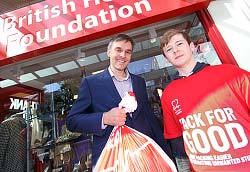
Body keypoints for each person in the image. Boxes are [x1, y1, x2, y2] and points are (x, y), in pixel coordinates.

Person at [66, 33, 173, 168]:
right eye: (118, 50)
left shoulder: (138, 82)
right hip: (113, 158)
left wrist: (164, 150)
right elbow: (72, 121)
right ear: (108, 52)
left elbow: (148, 116)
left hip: (145, 153)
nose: (123, 55)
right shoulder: (91, 83)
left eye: (128, 52)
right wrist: (104, 118)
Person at [160, 28, 250, 172]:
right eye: (169, 49)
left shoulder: (231, 73)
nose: (175, 50)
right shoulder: (168, 94)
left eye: (179, 44)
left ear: (191, 46)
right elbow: (177, 143)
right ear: (166, 58)